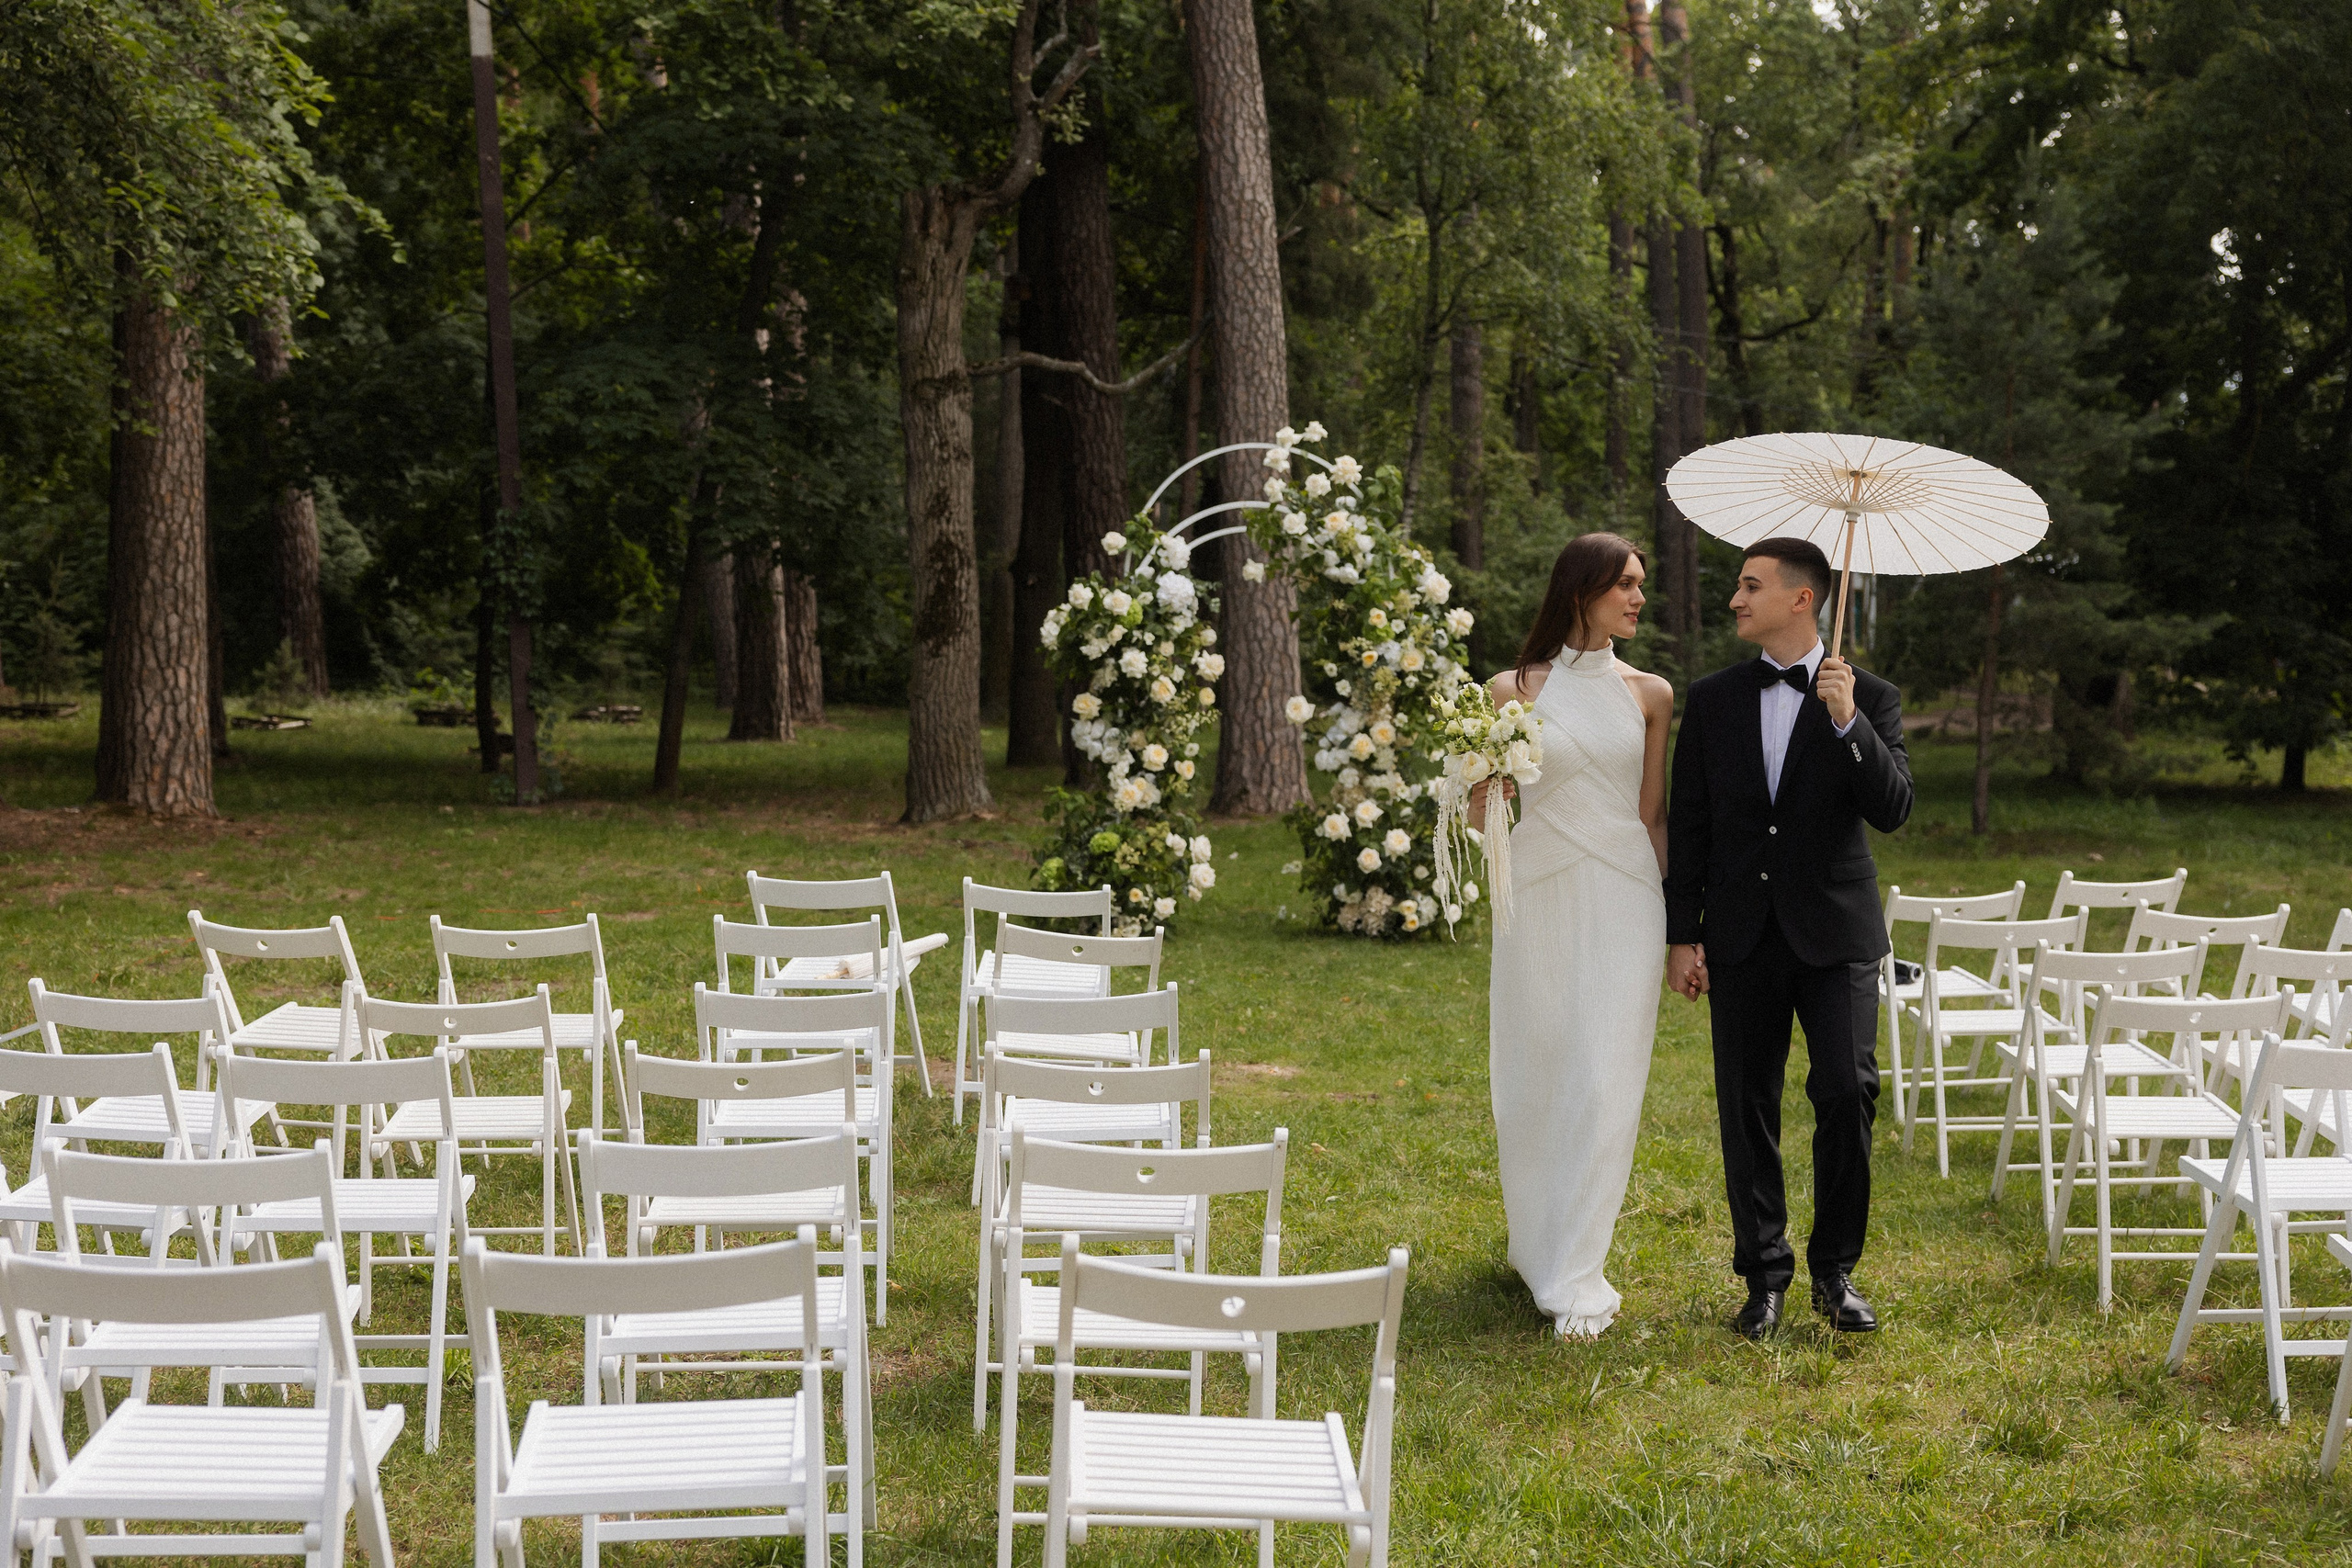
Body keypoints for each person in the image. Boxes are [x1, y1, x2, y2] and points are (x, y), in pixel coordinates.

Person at [1663, 537, 1913, 1340]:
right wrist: (1683, 934)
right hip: (1741, 932)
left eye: (1750, 585)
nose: (1735, 599)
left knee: (1847, 1090)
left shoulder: (1869, 696)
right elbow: (1692, 823)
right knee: (1748, 1104)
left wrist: (1847, 724)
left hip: (1836, 932)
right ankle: (1763, 1275)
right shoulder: (1713, 697)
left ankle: (1835, 1272)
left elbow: (1894, 807)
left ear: (1801, 599)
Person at [1476, 533, 1674, 1338]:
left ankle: (1578, 1271)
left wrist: (1677, 928)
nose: (1637, 598)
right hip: (1541, 889)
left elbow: (1652, 815)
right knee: (1539, 1068)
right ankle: (1537, 1243)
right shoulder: (1509, 689)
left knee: (1604, 1079)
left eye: (1641, 584)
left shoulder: (1653, 692)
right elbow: (1489, 805)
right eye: (1623, 585)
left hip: (1627, 893)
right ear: (1580, 591)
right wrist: (1476, 779)